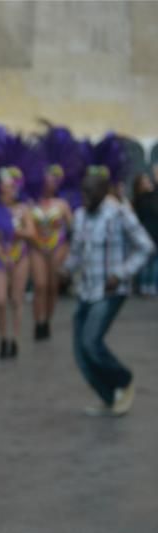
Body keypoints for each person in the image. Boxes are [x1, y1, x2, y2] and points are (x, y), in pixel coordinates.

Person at [64, 169, 154, 417]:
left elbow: (146, 247)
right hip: (86, 290)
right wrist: (63, 270)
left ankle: (124, 380)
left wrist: (121, 273)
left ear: (104, 192)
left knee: (91, 343)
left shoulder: (119, 214)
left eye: (90, 192)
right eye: (83, 191)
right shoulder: (80, 216)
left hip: (110, 291)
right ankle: (111, 398)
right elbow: (76, 253)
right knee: (80, 353)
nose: (85, 196)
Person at [0, 166, 36, 359]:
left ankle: (15, 338)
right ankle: (2, 337)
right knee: (0, 300)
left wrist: (15, 231)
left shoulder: (23, 209)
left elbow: (32, 233)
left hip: (20, 255)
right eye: (4, 184)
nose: (6, 189)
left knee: (17, 299)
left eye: (10, 185)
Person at [29, 165, 74, 337]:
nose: (50, 185)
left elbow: (72, 228)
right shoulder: (31, 203)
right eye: (47, 181)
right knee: (40, 285)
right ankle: (37, 321)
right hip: (37, 247)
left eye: (53, 182)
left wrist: (69, 248)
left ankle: (47, 320)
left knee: (52, 286)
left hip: (58, 246)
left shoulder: (62, 204)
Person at [131, 172, 158, 296]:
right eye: (146, 181)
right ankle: (144, 286)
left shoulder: (149, 198)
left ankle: (150, 286)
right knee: (147, 262)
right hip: (147, 234)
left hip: (154, 233)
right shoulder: (142, 199)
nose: (149, 183)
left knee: (153, 262)